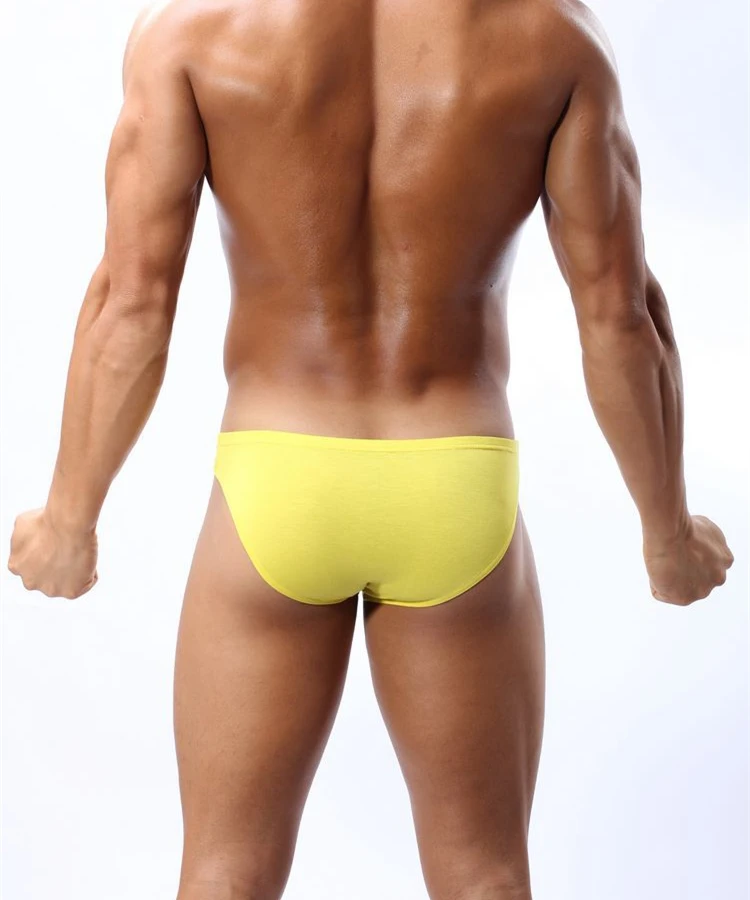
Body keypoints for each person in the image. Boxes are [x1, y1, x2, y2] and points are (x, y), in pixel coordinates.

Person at [7, 1, 735, 898]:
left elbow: (131, 301)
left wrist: (69, 520)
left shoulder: (192, 31)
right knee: (485, 876)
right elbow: (621, 317)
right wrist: (667, 534)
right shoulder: (555, 36)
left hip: (281, 473)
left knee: (225, 874)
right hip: (454, 474)